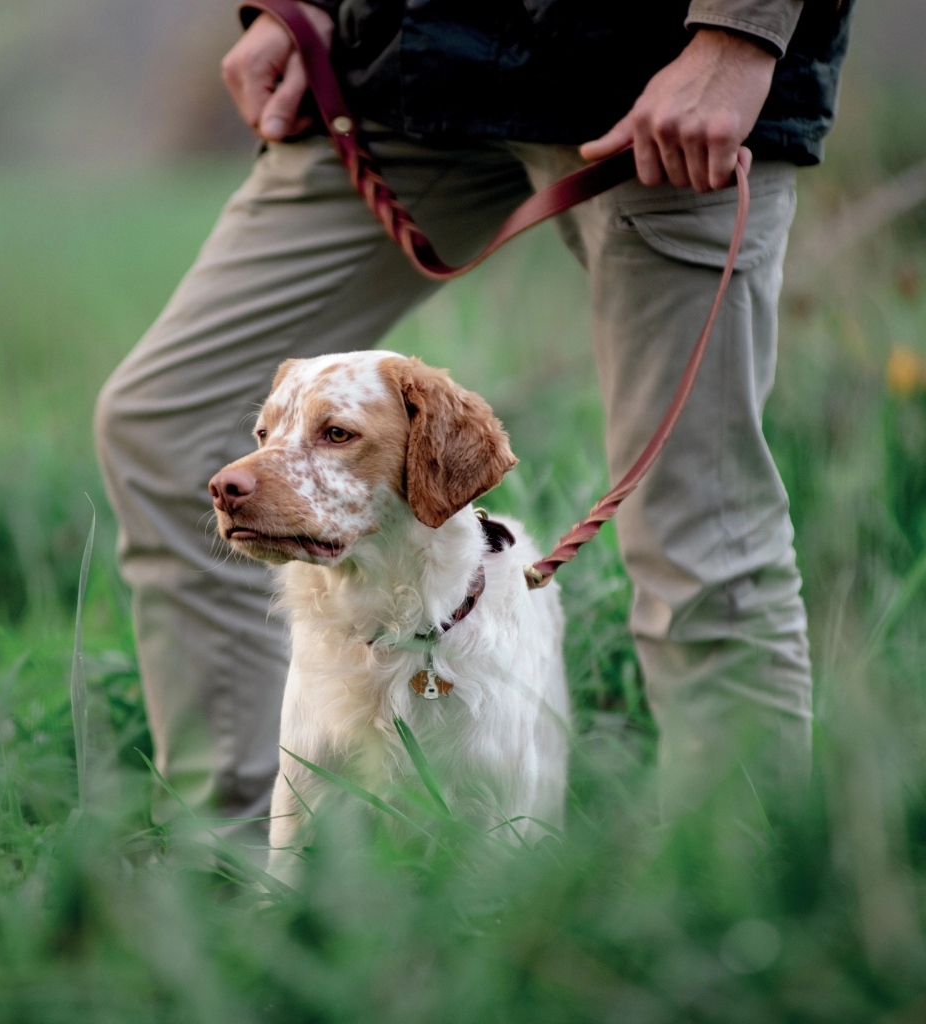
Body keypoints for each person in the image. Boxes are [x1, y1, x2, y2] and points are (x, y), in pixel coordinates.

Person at [94, 0, 854, 827]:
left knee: (700, 524)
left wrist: (739, 34)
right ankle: (244, 881)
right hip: (394, 73)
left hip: (658, 79)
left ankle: (743, 917)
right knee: (165, 422)